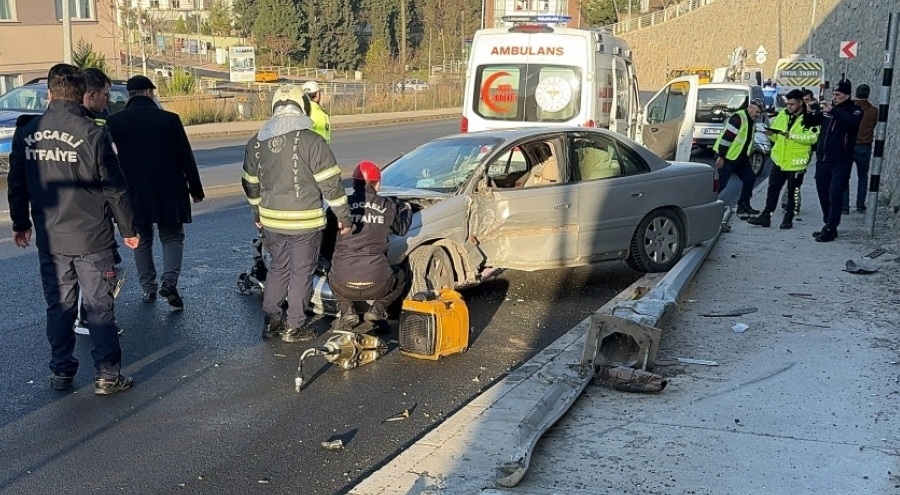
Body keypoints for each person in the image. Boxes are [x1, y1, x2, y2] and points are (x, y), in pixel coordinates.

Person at [7, 64, 139, 395]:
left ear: (49, 93)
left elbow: (17, 182)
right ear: (81, 94)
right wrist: (128, 229)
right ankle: (107, 375)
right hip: (92, 236)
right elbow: (115, 188)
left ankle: (61, 370)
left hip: (51, 237)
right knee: (99, 306)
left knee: (59, 305)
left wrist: (21, 223)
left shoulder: (27, 131)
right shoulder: (93, 133)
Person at [242, 85, 351, 342]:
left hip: (271, 221)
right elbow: (331, 183)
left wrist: (256, 213)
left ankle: (271, 322)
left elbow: (250, 183)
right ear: (302, 106)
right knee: (302, 272)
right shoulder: (312, 141)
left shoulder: (256, 142)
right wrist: (343, 216)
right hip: (305, 222)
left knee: (278, 267)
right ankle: (294, 326)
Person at [106, 75, 205, 309]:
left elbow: (109, 160)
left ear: (129, 95)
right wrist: (196, 189)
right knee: (172, 236)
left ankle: (148, 287)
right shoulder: (169, 119)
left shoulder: (115, 121)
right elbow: (186, 156)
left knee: (141, 239)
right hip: (170, 189)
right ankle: (169, 282)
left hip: (133, 191)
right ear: (150, 93)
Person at [329, 161, 413, 333]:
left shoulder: (340, 207)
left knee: (333, 271)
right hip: (378, 283)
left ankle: (347, 310)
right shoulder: (387, 205)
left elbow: (327, 238)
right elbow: (402, 229)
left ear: (353, 183)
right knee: (402, 275)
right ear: (378, 184)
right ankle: (378, 311)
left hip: (342, 284)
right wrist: (406, 208)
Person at [747, 89, 819, 229]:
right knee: (772, 190)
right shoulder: (783, 114)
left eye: (792, 104)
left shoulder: (810, 118)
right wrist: (770, 133)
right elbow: (777, 135)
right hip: (779, 160)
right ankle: (766, 216)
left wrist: (791, 136)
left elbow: (812, 138)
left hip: (796, 162)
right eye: (787, 104)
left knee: (792, 192)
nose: (789, 107)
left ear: (800, 103)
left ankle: (788, 218)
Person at [811, 80, 863, 242]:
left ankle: (831, 226)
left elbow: (851, 122)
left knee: (835, 192)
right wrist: (810, 110)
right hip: (823, 159)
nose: (834, 97)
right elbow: (811, 122)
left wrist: (833, 110)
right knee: (823, 191)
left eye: (838, 95)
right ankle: (828, 223)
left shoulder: (855, 110)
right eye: (833, 94)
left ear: (846, 96)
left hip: (841, 160)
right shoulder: (827, 110)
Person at [713, 97, 765, 218]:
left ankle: (743, 205)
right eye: (757, 112)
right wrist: (721, 156)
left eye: (760, 113)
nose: (758, 115)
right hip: (728, 157)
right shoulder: (738, 118)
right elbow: (727, 138)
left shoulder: (750, 120)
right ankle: (706, 204)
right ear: (750, 108)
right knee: (720, 184)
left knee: (750, 178)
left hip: (740, 158)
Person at [843, 84, 878, 214]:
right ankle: (860, 205)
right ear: (868, 94)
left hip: (848, 145)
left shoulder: (849, 108)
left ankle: (845, 206)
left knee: (844, 176)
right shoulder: (873, 111)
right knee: (863, 176)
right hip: (864, 145)